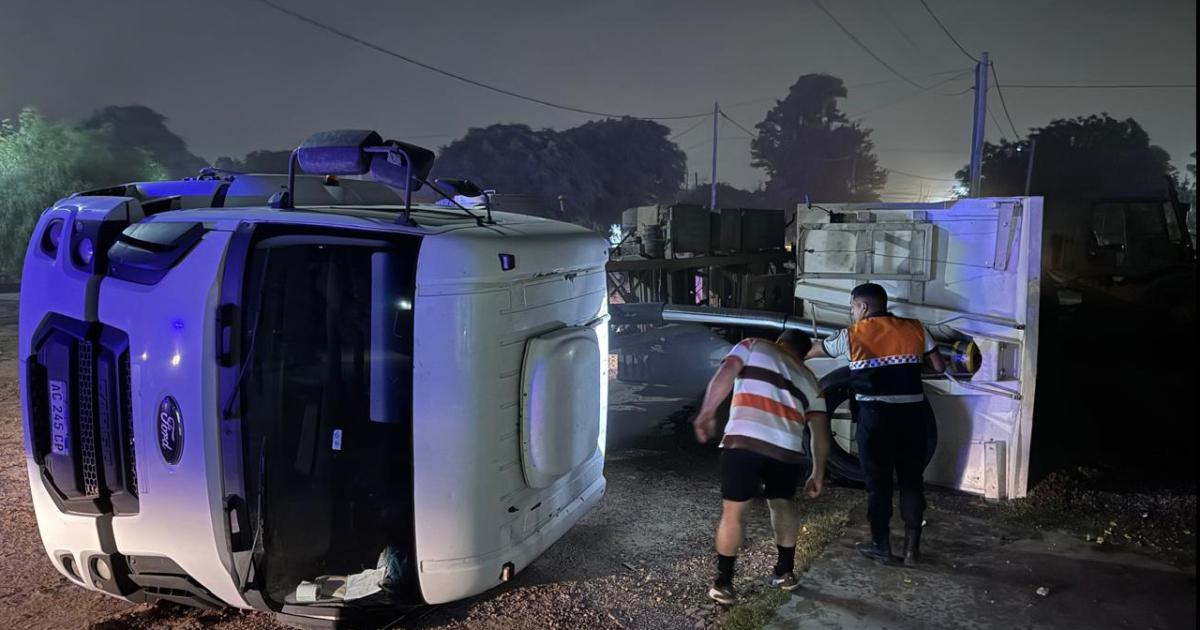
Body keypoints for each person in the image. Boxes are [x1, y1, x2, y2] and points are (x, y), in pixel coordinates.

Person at [805, 282, 944, 566]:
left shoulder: (852, 335)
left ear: (864, 306)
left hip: (875, 418)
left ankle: (881, 546)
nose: (852, 312)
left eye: (853, 307)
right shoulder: (916, 328)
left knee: (878, 485)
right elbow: (939, 366)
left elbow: (815, 350)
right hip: (913, 417)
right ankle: (912, 551)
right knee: (911, 482)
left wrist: (790, 353)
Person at [693, 330, 831, 605]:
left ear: (781, 342)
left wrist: (707, 411)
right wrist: (818, 472)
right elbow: (820, 432)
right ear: (804, 355)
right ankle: (785, 572)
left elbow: (726, 373)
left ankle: (724, 584)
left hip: (744, 442)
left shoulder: (754, 345)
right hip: (786, 450)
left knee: (734, 513)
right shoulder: (810, 380)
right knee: (782, 503)